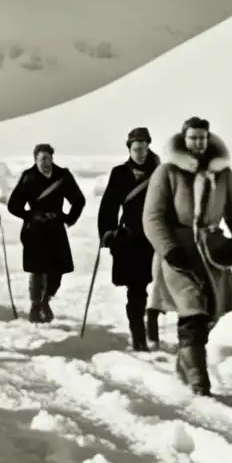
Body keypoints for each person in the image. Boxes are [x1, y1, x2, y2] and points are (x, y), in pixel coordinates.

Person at [143, 117, 232, 396]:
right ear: (183, 138)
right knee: (192, 311)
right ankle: (199, 381)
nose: (198, 143)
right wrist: (169, 250)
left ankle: (186, 360)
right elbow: (152, 216)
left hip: (212, 252)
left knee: (210, 312)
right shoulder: (167, 172)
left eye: (202, 138)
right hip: (179, 252)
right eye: (193, 137)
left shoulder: (222, 174)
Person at [97, 127, 163, 351]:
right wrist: (108, 232)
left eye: (144, 148)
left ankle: (151, 329)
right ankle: (138, 335)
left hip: (157, 237)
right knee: (136, 288)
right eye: (136, 149)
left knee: (159, 287)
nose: (141, 153)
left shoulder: (160, 172)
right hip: (132, 239)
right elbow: (108, 205)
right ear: (129, 149)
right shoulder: (119, 173)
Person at [6, 144, 86, 324]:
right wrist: (29, 215)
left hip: (56, 228)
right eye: (42, 159)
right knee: (37, 269)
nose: (45, 163)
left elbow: (78, 200)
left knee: (57, 270)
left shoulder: (62, 176)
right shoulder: (29, 177)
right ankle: (35, 305)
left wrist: (68, 218)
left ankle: (46, 300)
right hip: (35, 230)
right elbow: (13, 205)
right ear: (35, 160)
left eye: (48, 158)